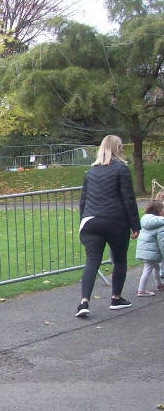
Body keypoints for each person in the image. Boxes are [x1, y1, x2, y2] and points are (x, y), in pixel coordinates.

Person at [75, 135, 140, 318]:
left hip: (90, 221)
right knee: (119, 260)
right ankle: (116, 298)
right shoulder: (121, 169)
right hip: (115, 221)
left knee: (92, 261)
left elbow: (83, 201)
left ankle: (84, 302)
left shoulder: (90, 172)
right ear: (118, 148)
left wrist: (83, 221)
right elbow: (128, 199)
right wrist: (135, 225)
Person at [134, 200, 164, 296]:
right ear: (159, 211)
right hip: (151, 252)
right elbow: (162, 241)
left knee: (156, 267)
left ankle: (159, 285)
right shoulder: (160, 224)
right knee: (148, 269)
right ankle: (141, 290)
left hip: (145, 250)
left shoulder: (145, 220)